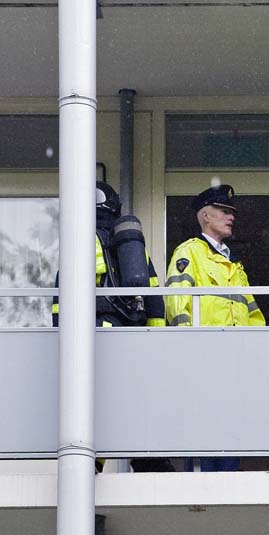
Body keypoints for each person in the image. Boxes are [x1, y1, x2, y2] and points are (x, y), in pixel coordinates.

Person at [52, 181, 173, 473]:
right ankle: (148, 460)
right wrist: (153, 339)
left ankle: (89, 464)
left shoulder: (80, 241)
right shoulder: (132, 246)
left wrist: (58, 334)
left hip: (94, 331)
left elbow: (63, 298)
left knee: (94, 402)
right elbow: (154, 295)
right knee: (133, 396)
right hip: (130, 333)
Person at [165, 184, 265, 471]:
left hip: (235, 362)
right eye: (224, 211)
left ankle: (227, 483)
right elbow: (176, 304)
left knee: (231, 427)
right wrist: (192, 349)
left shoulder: (234, 264)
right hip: (205, 358)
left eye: (231, 212)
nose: (231, 217)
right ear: (206, 215)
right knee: (206, 427)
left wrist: (259, 353)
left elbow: (253, 314)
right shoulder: (190, 252)